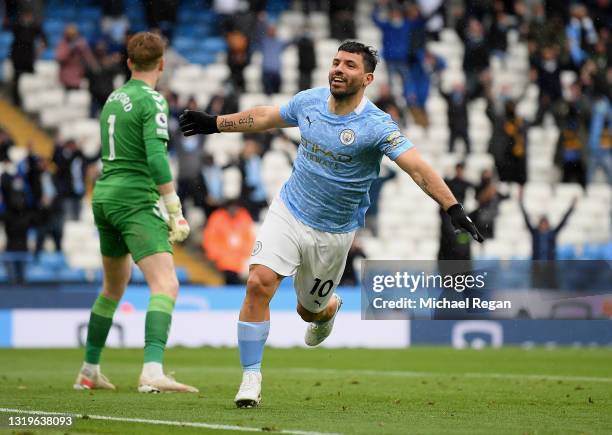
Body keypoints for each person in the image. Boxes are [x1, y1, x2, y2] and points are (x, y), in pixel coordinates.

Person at [179, 41, 483, 408]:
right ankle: (250, 378)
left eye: (350, 65)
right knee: (258, 283)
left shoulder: (376, 125)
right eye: (336, 62)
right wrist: (214, 124)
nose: (339, 69)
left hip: (334, 233)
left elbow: (417, 167)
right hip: (289, 211)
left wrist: (453, 208)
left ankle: (327, 309)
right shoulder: (310, 101)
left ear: (367, 78)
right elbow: (265, 116)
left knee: (307, 309)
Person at [73, 32, 196, 394]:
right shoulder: (153, 101)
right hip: (133, 199)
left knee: (112, 287)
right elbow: (156, 157)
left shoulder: (114, 97)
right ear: (162, 64)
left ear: (128, 63)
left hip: (105, 195)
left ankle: (88, 370)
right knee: (166, 284)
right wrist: (174, 209)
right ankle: (152, 371)